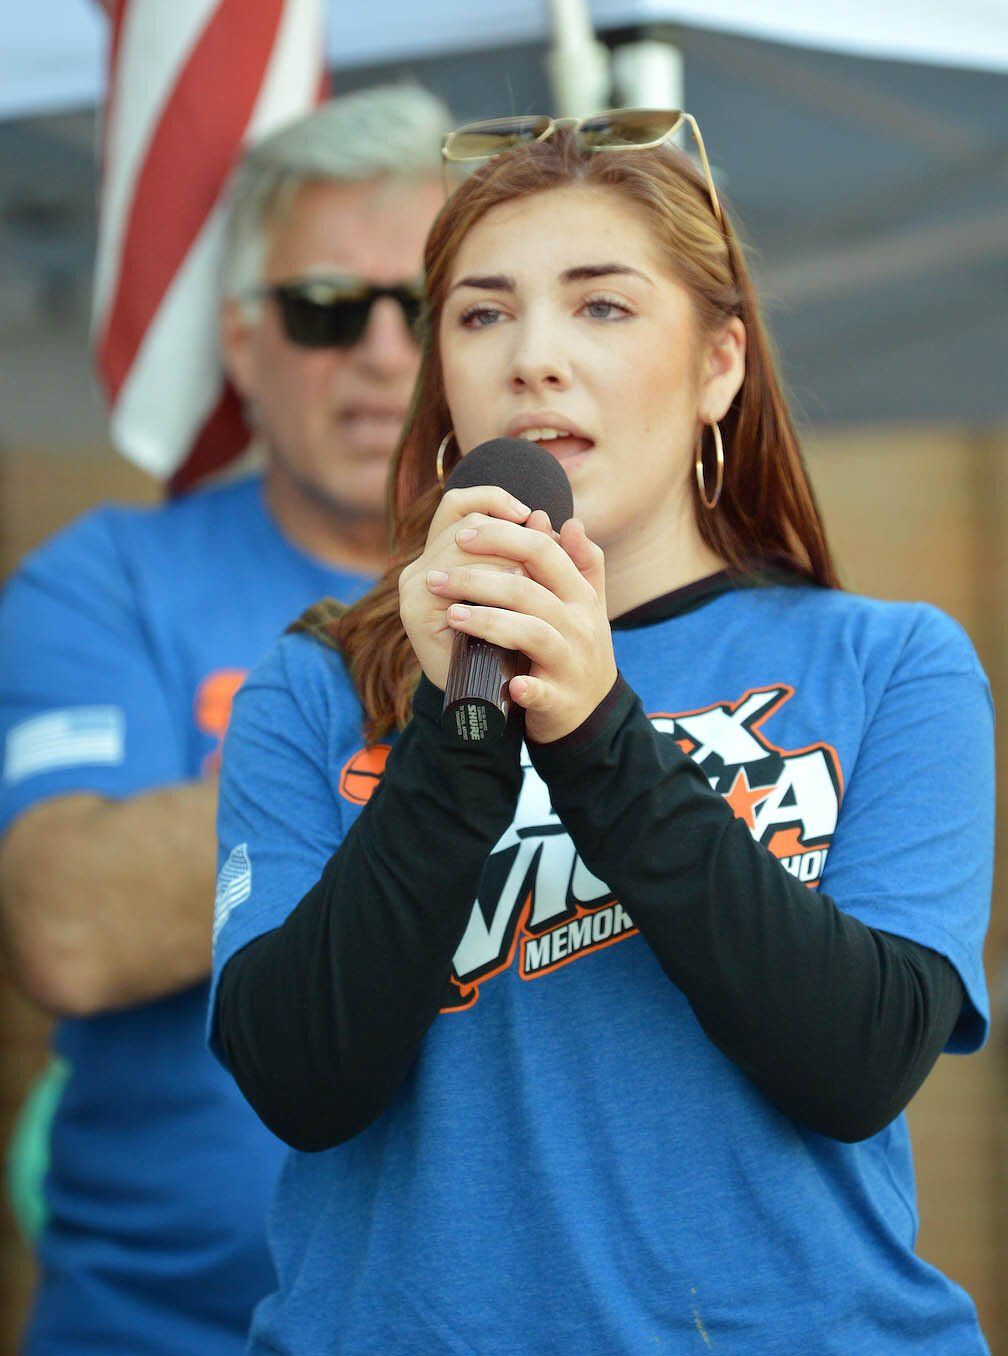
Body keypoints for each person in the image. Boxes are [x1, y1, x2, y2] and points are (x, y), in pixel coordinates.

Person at [209, 113, 994, 1355]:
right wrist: (458, 723)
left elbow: (858, 1062)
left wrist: (598, 736)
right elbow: (300, 1081)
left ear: (719, 364)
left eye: (603, 306)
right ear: (443, 376)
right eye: (482, 314)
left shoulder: (893, 663)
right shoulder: (315, 688)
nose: (535, 357)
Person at [0, 82, 449, 1355]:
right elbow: (68, 927)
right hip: (154, 1330)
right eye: (325, 307)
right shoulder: (104, 580)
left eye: (425, 308)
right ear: (242, 342)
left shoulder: (593, 591)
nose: (382, 351)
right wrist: (452, 725)